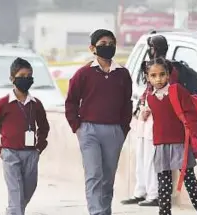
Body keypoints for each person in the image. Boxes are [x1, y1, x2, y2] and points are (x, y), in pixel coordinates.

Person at [65, 29, 133, 215]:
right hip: (89, 131)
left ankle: (105, 211)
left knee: (107, 178)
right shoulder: (83, 74)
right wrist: (77, 127)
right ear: (92, 48)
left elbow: (127, 103)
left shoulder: (123, 74)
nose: (107, 47)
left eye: (110, 43)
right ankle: (96, 212)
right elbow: (70, 102)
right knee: (94, 175)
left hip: (114, 131)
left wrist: (123, 129)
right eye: (102, 44)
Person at [0, 57, 50, 215]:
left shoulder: (36, 104)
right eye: (22, 75)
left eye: (29, 75)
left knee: (28, 190)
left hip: (31, 153)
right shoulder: (2, 104)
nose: (26, 79)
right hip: (10, 153)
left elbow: (44, 127)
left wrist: (39, 147)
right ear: (12, 79)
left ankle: (12, 211)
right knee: (15, 192)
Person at [145, 57, 197, 215]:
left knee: (190, 181)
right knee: (164, 186)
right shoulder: (150, 97)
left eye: (162, 74)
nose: (158, 79)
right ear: (148, 77)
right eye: (153, 76)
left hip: (180, 144)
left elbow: (191, 116)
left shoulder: (176, 90)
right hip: (160, 144)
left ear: (168, 75)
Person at [122, 35, 178, 207]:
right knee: (141, 157)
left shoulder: (169, 69)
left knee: (152, 159)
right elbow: (147, 90)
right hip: (145, 118)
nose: (152, 50)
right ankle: (141, 191)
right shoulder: (149, 67)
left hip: (157, 119)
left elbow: (168, 92)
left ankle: (155, 194)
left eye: (154, 46)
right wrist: (141, 107)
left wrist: (150, 107)